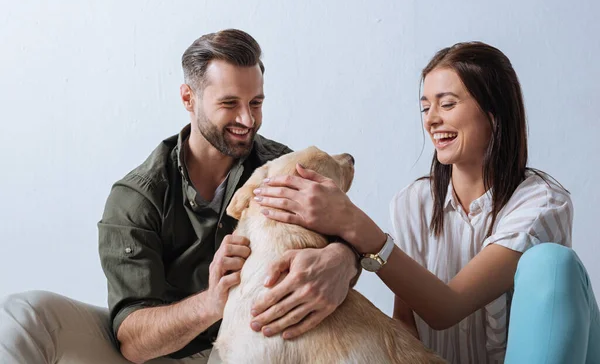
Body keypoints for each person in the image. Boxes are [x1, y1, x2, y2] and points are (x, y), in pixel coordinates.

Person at [0, 29, 359, 364]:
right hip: (163, 354)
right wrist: (214, 301)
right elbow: (133, 342)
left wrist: (343, 258)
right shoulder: (138, 197)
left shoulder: (277, 168)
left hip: (261, 349)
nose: (248, 119)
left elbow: (347, 234)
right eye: (230, 103)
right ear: (189, 98)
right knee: (26, 313)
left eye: (256, 102)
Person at [251, 41, 600, 363]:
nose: (432, 119)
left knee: (553, 263)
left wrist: (351, 224)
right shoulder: (413, 202)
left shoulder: (542, 203)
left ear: (494, 113)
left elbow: (448, 308)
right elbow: (407, 324)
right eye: (425, 107)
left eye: (447, 104)